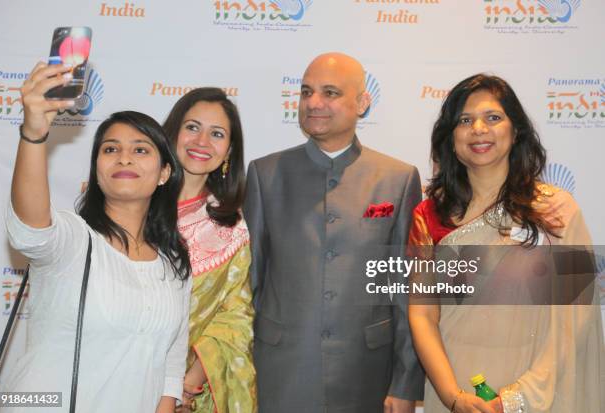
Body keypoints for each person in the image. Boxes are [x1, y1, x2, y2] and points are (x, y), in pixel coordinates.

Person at [407, 74, 604, 413]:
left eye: (493, 117)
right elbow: (423, 314)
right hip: (460, 386)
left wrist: (518, 397)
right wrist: (453, 396)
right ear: (451, 138)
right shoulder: (430, 216)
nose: (478, 129)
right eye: (464, 120)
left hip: (543, 390)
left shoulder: (556, 210)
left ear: (516, 132)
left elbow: (576, 317)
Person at [2, 62, 192, 412]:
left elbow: (170, 367)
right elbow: (30, 232)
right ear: (97, 171)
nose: (123, 156)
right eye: (110, 149)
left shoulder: (174, 265)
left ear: (164, 172)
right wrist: (33, 133)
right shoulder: (74, 240)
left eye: (140, 149)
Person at [244, 52, 425, 413]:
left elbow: (405, 288)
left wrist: (405, 383)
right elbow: (250, 280)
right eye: (306, 92)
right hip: (280, 370)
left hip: (366, 373)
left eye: (330, 93)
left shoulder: (398, 179)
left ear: (362, 103)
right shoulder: (265, 175)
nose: (314, 103)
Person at [162, 87, 256, 413]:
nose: (202, 141)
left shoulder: (231, 228)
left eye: (216, 134)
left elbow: (234, 319)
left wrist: (187, 385)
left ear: (229, 150)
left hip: (188, 395)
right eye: (192, 127)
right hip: (114, 376)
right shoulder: (130, 206)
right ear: (172, 132)